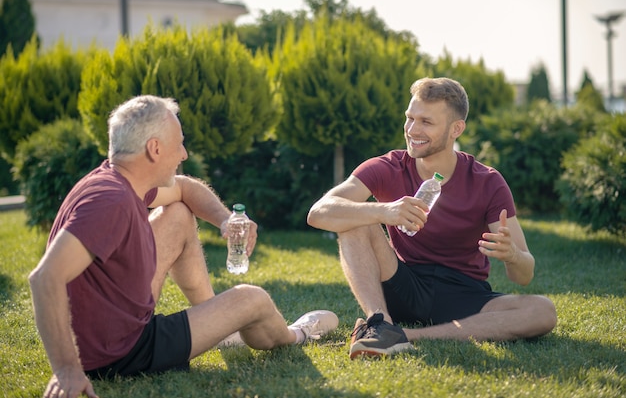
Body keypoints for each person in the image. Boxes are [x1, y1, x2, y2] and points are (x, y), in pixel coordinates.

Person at [28, 95, 338, 398]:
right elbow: (45, 278)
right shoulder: (111, 201)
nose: (184, 154)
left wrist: (225, 221)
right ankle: (297, 335)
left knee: (177, 214)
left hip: (117, 324)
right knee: (252, 299)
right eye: (179, 143)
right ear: (155, 149)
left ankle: (223, 333)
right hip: (122, 351)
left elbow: (186, 189)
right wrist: (67, 368)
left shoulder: (120, 181)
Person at [307, 77, 557, 359]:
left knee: (542, 311)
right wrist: (382, 210)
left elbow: (524, 275)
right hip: (403, 284)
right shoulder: (388, 166)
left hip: (464, 293)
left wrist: (512, 255)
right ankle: (379, 320)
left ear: (456, 129)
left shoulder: (488, 181)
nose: (413, 129)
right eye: (410, 118)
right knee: (355, 220)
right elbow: (319, 213)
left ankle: (401, 334)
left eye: (426, 122)